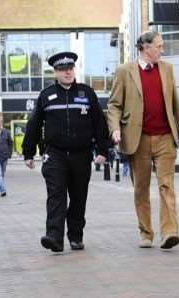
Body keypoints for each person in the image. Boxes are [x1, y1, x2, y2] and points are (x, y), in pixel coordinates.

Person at [22, 51, 111, 253]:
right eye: (63, 70)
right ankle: (54, 237)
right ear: (55, 72)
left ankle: (76, 236)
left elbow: (99, 124)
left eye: (70, 68)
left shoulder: (87, 93)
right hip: (55, 154)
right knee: (56, 195)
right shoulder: (46, 96)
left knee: (79, 197)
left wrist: (102, 150)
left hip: (81, 154)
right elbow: (34, 125)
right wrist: (28, 152)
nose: (68, 72)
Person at [107, 31, 179, 249]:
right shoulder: (125, 71)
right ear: (145, 47)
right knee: (141, 188)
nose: (162, 50)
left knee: (166, 185)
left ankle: (170, 232)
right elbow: (114, 104)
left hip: (165, 137)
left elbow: (174, 103)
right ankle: (146, 233)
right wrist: (114, 128)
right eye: (159, 46)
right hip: (138, 138)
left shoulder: (167, 69)